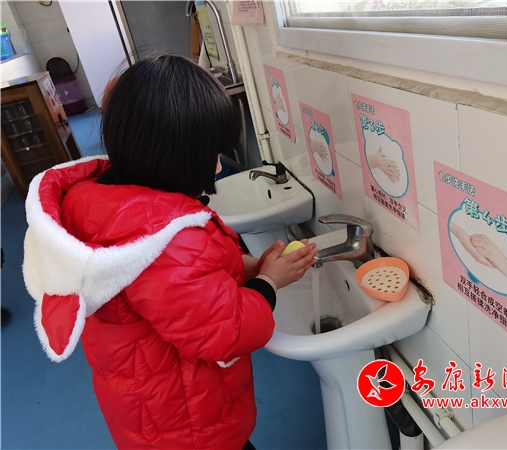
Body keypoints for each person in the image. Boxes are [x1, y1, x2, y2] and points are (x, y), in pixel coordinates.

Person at [22, 54, 317, 449]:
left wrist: (248, 267)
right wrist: (269, 282)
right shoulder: (164, 241)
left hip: (151, 414)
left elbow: (189, 286)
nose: (217, 168)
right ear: (174, 156)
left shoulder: (105, 205)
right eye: (212, 156)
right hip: (189, 427)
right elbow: (227, 332)